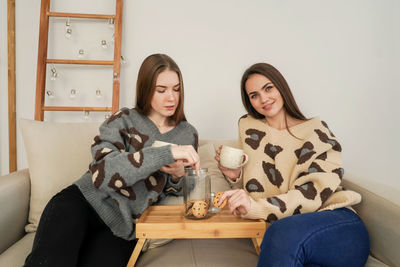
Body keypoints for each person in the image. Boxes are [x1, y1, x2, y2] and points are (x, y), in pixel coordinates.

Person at [24, 54, 200, 267]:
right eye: (161, 90)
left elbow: (179, 189)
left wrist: (178, 176)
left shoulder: (187, 135)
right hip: (82, 203)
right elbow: (103, 173)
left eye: (176, 89)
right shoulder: (124, 119)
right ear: (145, 89)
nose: (171, 98)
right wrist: (165, 154)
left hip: (123, 227)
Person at [215, 63, 370, 266]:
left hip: (335, 223)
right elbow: (257, 193)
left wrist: (255, 207)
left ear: (281, 87)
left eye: (268, 88)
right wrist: (236, 176)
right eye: (254, 95)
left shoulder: (316, 131)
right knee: (282, 234)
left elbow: (311, 195)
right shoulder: (249, 127)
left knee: (282, 231)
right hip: (291, 238)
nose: (263, 99)